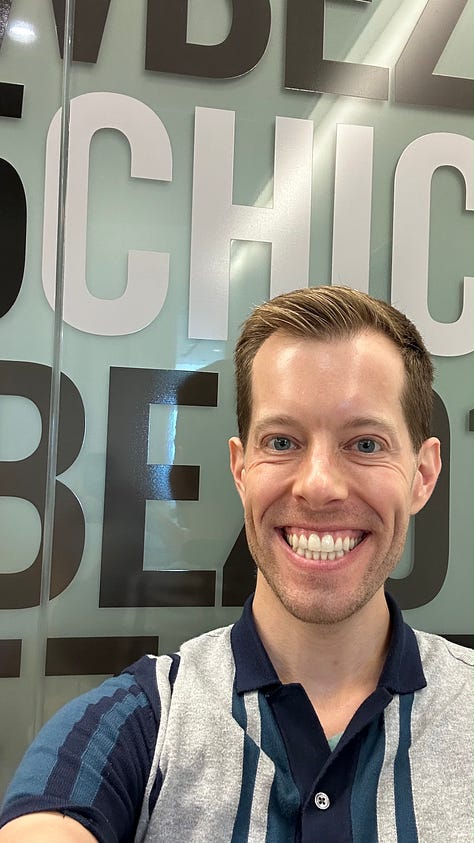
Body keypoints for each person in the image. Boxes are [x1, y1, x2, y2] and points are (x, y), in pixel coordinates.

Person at [0, 286, 472, 842]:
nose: (318, 486)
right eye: (282, 441)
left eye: (366, 444)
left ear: (423, 474)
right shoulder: (138, 725)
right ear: (241, 468)